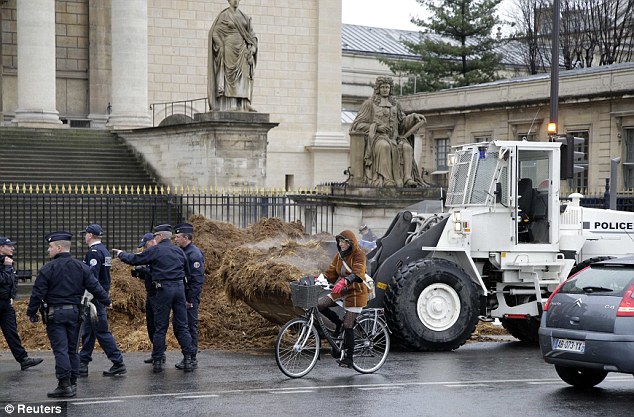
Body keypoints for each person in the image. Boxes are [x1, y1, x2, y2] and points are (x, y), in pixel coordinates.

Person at [26, 231, 112, 398]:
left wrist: (31, 312)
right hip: (75, 313)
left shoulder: (47, 269)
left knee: (61, 349)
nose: (48, 250)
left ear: (59, 248)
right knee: (73, 349)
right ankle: (72, 382)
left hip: (55, 315)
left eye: (50, 247)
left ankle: (64, 384)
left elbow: (37, 293)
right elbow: (95, 286)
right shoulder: (81, 266)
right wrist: (107, 301)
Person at [113, 224, 195, 373]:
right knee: (182, 326)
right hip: (179, 289)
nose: (155, 239)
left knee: (160, 326)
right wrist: (187, 297)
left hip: (163, 289)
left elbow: (135, 259)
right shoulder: (179, 251)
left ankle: (157, 360)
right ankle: (189, 359)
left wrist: (120, 254)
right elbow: (188, 275)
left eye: (156, 236)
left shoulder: (156, 250)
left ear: (160, 237)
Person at [350, 75, 426, 187]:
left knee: (407, 147)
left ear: (390, 89)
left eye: (387, 87)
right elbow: (357, 125)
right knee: (384, 146)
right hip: (377, 138)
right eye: (383, 87)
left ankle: (407, 178)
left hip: (395, 138)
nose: (385, 89)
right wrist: (376, 127)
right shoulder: (369, 104)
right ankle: (386, 179)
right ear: (378, 88)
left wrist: (413, 117)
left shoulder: (396, 104)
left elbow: (402, 124)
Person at [78, 224, 126, 377]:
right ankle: (83, 363)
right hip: (99, 295)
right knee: (89, 331)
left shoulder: (94, 252)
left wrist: (87, 297)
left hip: (94, 297)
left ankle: (118, 362)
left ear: (90, 235)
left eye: (85, 234)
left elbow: (91, 277)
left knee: (101, 331)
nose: (84, 236)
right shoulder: (104, 251)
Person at [318, 230, 368, 368]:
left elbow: (359, 273)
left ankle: (349, 358)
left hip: (356, 293)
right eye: (339, 242)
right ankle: (337, 323)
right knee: (319, 305)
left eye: (342, 242)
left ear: (349, 243)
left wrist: (345, 281)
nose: (340, 244)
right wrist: (321, 278)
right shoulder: (339, 256)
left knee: (348, 324)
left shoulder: (359, 255)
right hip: (342, 291)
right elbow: (332, 272)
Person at [0, 236, 43, 371]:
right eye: (9, 246)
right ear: (1, 247)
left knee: (11, 332)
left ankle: (23, 359)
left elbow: (13, 281)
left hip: (5, 304)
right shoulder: (6, 264)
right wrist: (6, 268)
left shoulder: (8, 262)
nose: (13, 247)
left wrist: (12, 297)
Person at [207, 0, 258, 112]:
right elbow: (215, 32)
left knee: (244, 76)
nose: (235, 0)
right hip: (229, 49)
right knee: (231, 77)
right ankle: (232, 103)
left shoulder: (245, 17)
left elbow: (252, 35)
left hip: (243, 50)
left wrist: (253, 48)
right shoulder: (224, 15)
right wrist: (221, 45)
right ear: (229, 1)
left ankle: (244, 103)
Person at [173, 223, 205, 370]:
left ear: (186, 237)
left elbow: (197, 280)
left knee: (190, 327)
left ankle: (192, 357)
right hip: (181, 296)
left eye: (178, 237)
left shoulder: (194, 254)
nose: (175, 239)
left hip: (189, 297)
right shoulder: (183, 251)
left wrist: (191, 299)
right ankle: (188, 354)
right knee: (180, 326)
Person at [131, 233, 162, 365]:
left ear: (151, 242)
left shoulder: (159, 253)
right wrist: (140, 274)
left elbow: (159, 272)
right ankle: (156, 352)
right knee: (151, 325)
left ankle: (159, 354)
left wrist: (145, 270)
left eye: (145, 245)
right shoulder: (151, 254)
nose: (144, 248)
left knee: (157, 324)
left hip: (158, 292)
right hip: (150, 292)